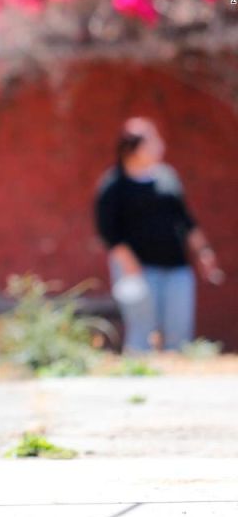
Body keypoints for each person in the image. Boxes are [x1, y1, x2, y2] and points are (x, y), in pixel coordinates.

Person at [94, 117, 224, 353]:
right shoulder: (114, 185)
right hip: (139, 270)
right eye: (152, 141)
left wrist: (203, 252)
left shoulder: (167, 177)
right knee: (142, 332)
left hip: (176, 267)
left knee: (179, 334)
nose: (160, 145)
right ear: (131, 147)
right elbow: (109, 233)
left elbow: (185, 220)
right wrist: (132, 269)